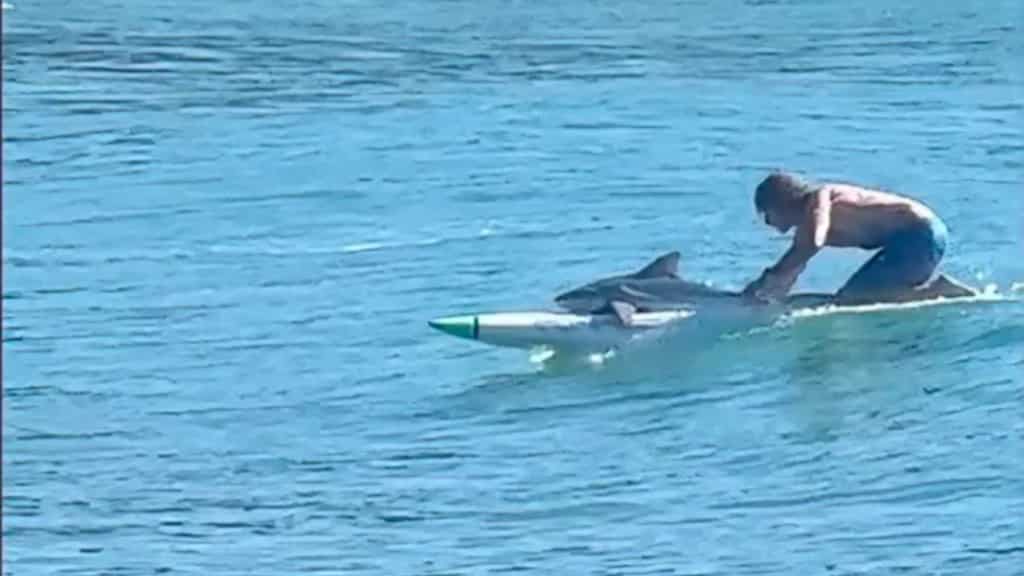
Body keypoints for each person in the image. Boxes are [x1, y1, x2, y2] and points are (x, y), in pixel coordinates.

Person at [741, 171, 970, 304]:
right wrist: (762, 294)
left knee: (855, 297)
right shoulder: (807, 225)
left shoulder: (820, 198)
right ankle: (935, 291)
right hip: (912, 239)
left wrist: (768, 278)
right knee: (852, 296)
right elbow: (795, 264)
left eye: (766, 213)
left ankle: (940, 291)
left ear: (782, 203)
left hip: (920, 235)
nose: (767, 222)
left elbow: (812, 244)